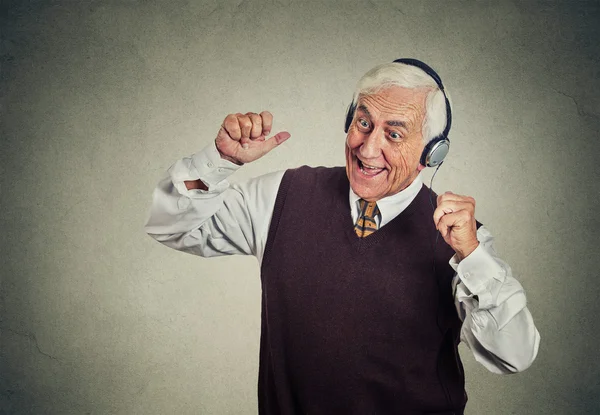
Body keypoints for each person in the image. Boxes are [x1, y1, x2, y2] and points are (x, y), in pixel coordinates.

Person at [144, 58, 540, 415]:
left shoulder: (460, 241)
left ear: (431, 153)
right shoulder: (281, 195)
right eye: (363, 123)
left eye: (394, 135)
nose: (368, 149)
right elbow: (172, 226)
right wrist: (219, 162)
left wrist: (472, 257)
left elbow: (513, 355)